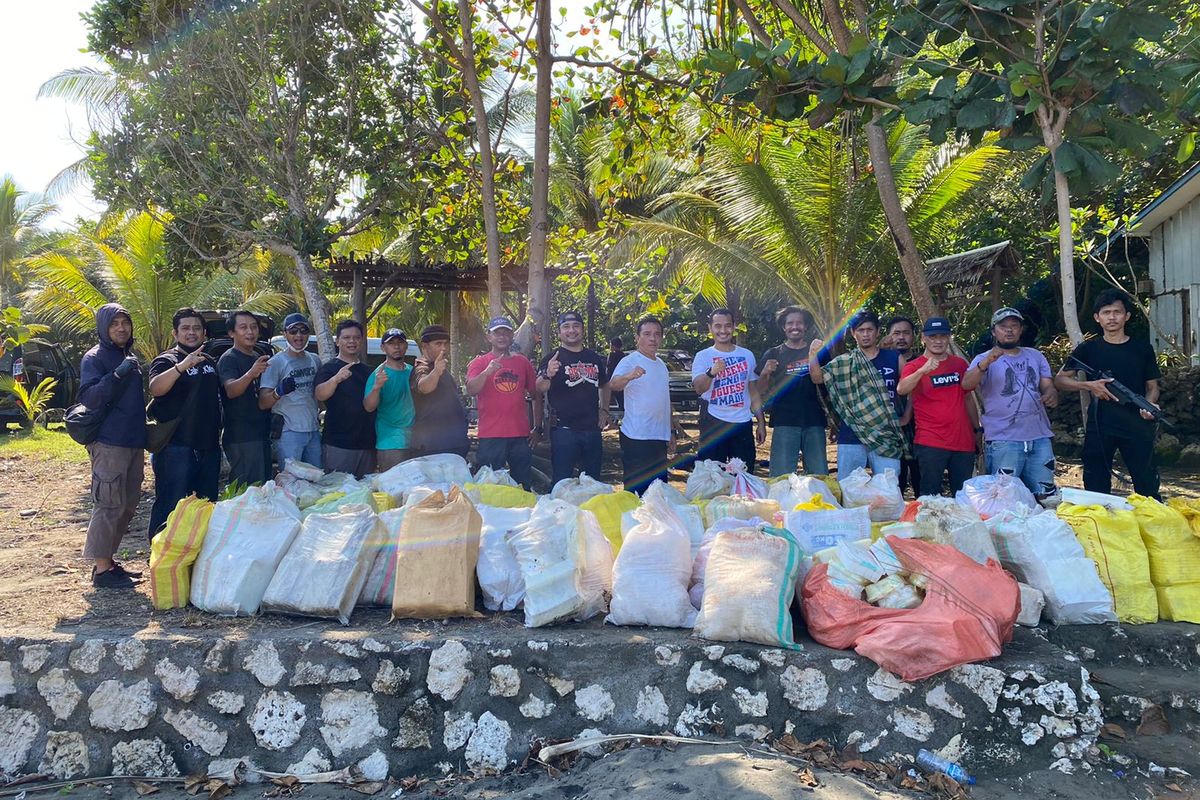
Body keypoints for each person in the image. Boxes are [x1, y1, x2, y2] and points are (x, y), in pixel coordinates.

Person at [1054, 289, 1162, 499]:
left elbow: (1152, 387)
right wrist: (1090, 386)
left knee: (1147, 485)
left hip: (1137, 424)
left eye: (1117, 312)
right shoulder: (1088, 349)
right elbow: (1060, 380)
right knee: (1096, 485)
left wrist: (1148, 406)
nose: (1112, 317)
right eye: (1106, 312)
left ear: (1127, 316)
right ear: (1097, 317)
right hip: (1101, 424)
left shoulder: (1142, 349)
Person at [79, 303, 145, 589]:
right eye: (114, 323)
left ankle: (109, 562)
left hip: (132, 441)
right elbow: (90, 398)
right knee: (108, 504)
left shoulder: (128, 355)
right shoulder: (94, 358)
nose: (121, 328)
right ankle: (102, 569)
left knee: (127, 504)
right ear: (104, 328)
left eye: (125, 322)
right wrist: (116, 374)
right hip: (109, 442)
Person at [962, 307, 1059, 501]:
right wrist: (986, 363)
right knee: (1004, 500)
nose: (1009, 330)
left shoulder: (1035, 356)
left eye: (1014, 326)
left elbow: (1048, 386)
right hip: (1004, 439)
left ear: (1021, 330)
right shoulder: (983, 359)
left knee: (1046, 497)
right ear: (993, 331)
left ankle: (1042, 530)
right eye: (1003, 326)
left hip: (1039, 437)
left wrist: (1051, 394)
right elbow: (966, 384)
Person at [146, 307, 221, 539]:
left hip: (208, 447)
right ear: (175, 334)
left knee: (205, 505)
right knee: (170, 503)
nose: (192, 333)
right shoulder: (166, 360)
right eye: (186, 328)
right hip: (176, 448)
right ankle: (160, 556)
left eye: (196, 328)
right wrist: (181, 367)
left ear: (204, 333)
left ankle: (192, 555)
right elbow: (155, 388)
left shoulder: (209, 360)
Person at [810, 310, 909, 479]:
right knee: (848, 488)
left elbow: (911, 388)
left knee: (888, 489)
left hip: (886, 434)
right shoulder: (845, 362)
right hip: (852, 434)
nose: (865, 335)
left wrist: (906, 416)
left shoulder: (894, 358)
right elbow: (817, 378)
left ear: (877, 332)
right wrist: (812, 354)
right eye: (860, 331)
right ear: (853, 334)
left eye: (869, 330)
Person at [897, 317, 976, 496]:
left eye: (943, 336)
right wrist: (923, 371)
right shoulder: (914, 366)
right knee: (929, 497)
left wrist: (977, 429)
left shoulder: (959, 364)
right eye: (933, 337)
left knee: (963, 497)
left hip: (963, 441)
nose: (938, 341)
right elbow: (902, 389)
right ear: (923, 338)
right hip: (930, 441)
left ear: (949, 338)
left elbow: (968, 398)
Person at [536, 311, 611, 484]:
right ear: (559, 332)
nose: (572, 330)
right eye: (566, 327)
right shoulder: (551, 359)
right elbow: (539, 388)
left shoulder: (593, 357)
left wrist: (604, 410)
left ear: (582, 330)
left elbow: (605, 384)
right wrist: (548, 373)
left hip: (592, 430)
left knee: (592, 483)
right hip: (564, 431)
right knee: (562, 482)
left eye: (576, 326)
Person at [466, 316, 539, 489]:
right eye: (497, 333)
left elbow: (536, 394)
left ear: (512, 336)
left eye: (506, 332)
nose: (502, 336)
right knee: (489, 486)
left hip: (520, 436)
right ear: (489, 337)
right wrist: (487, 372)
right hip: (491, 436)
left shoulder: (522, 362)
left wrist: (538, 427)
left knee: (522, 485)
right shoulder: (479, 362)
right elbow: (471, 389)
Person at [757, 306, 828, 477]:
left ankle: (819, 504)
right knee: (781, 476)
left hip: (815, 420)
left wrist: (833, 420)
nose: (794, 327)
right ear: (784, 327)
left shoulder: (819, 352)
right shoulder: (773, 353)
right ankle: (781, 504)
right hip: (784, 421)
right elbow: (759, 390)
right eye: (790, 323)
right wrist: (765, 372)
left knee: (819, 476)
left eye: (799, 323)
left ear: (806, 327)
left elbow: (828, 386)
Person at [610, 316, 677, 495]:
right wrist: (629, 376)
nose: (653, 338)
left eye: (657, 334)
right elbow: (614, 384)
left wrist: (671, 431)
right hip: (636, 437)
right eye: (647, 334)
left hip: (659, 437)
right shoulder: (630, 361)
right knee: (636, 494)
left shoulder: (661, 364)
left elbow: (665, 400)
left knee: (657, 492)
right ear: (637, 338)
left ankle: (653, 523)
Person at [691, 308, 762, 469]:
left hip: (742, 423)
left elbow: (753, 391)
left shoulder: (747, 355)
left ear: (734, 326)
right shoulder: (703, 356)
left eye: (728, 325)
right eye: (717, 326)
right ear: (710, 328)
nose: (723, 330)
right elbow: (698, 388)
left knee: (744, 474)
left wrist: (761, 422)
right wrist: (711, 372)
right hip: (713, 422)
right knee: (712, 476)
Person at [259, 313, 322, 470]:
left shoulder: (315, 359)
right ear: (284, 334)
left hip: (313, 430)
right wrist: (278, 392)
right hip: (289, 432)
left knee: (317, 481)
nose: (299, 336)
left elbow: (319, 395)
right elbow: (262, 402)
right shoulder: (275, 363)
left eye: (303, 330)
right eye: (293, 331)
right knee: (290, 482)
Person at [314, 320, 376, 478]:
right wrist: (336, 379)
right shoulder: (329, 368)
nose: (352, 341)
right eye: (346, 337)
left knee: (364, 493)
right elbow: (319, 394)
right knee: (338, 493)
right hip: (338, 443)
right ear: (337, 341)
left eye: (356, 337)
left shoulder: (368, 371)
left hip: (367, 444)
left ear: (362, 340)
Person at [217, 310, 271, 486]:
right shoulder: (229, 359)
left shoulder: (257, 356)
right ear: (232, 333)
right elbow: (231, 390)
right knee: (244, 491)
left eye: (254, 327)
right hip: (241, 436)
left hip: (261, 432)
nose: (250, 332)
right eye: (243, 327)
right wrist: (251, 373)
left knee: (261, 486)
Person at [410, 325, 469, 457]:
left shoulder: (441, 369)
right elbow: (423, 387)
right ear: (425, 346)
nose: (444, 348)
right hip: (432, 446)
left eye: (446, 344)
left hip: (453, 443)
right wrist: (436, 371)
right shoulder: (422, 367)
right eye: (438, 344)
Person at [364, 328, 415, 472]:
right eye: (391, 343)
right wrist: (376, 387)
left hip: (416, 440)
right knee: (393, 491)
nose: (396, 346)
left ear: (406, 346)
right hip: (391, 443)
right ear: (383, 348)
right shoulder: (378, 374)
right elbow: (368, 407)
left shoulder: (413, 371)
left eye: (400, 342)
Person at [885, 316, 921, 497]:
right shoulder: (882, 360)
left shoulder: (923, 361)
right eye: (896, 333)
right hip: (890, 428)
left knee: (919, 477)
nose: (901, 337)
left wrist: (907, 415)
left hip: (919, 427)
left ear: (914, 336)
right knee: (893, 482)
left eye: (906, 333)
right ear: (888, 336)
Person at [606, 335, 626, 411]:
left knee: (606, 401)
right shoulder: (623, 356)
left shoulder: (612, 355)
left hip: (612, 380)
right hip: (621, 381)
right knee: (621, 402)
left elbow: (609, 369)